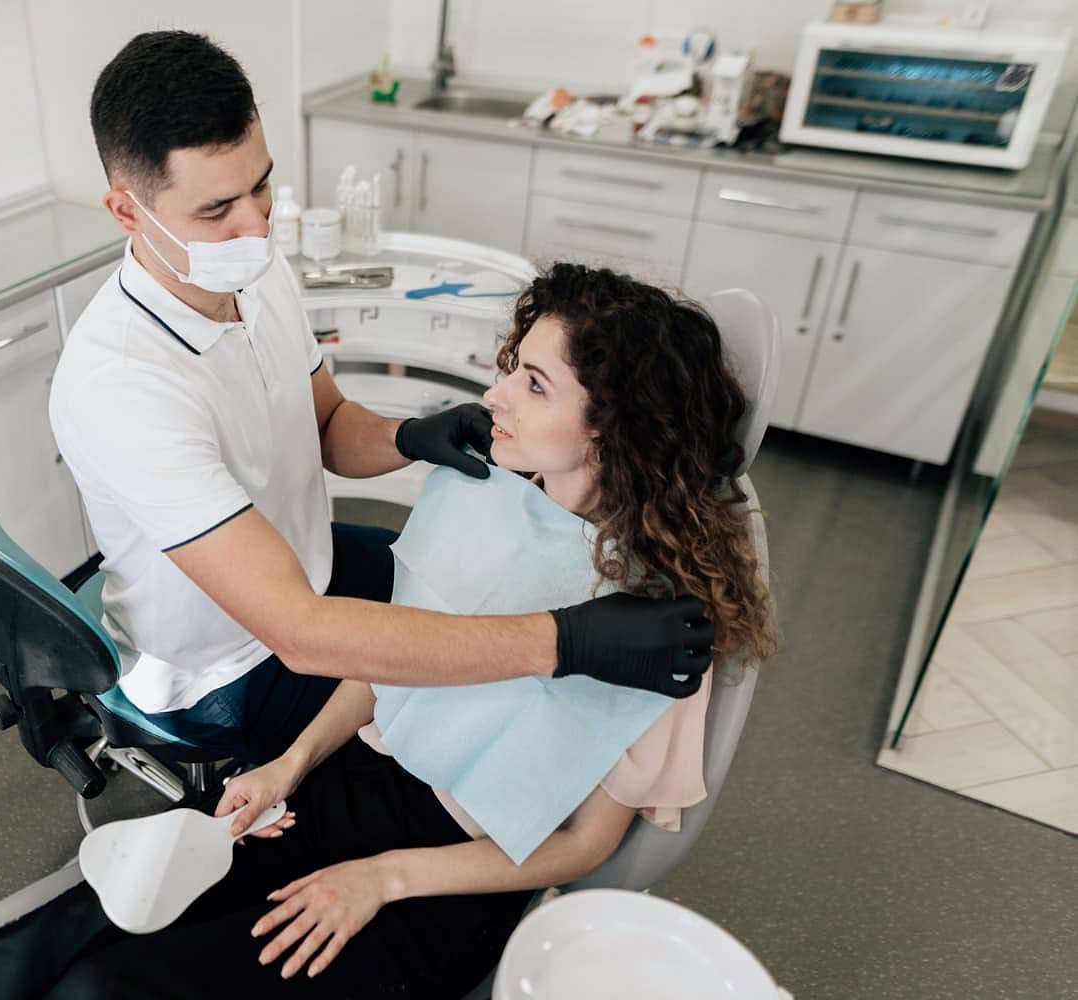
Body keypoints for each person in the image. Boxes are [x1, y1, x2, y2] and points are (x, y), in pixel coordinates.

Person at [0, 262, 779, 999]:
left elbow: (586, 844)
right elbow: (397, 660)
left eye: (535, 385)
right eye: (513, 368)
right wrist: (290, 763)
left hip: (452, 873)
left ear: (615, 427)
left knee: (114, 991)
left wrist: (382, 880)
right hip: (360, 779)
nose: (494, 397)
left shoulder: (660, 624)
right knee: (81, 938)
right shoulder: (489, 506)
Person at [48, 31, 712, 765]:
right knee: (470, 721)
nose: (256, 224)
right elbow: (301, 635)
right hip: (224, 670)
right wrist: (567, 642)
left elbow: (327, 423)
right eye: (217, 210)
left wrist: (407, 437)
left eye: (261, 185)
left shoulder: (251, 274)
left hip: (312, 567)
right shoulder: (122, 388)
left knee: (461, 598)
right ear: (126, 210)